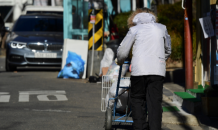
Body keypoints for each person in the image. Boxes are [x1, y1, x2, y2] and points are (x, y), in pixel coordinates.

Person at [117, 8, 171, 130]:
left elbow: (122, 51)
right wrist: (160, 60)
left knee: (137, 99)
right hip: (157, 71)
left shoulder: (134, 29)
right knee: (155, 102)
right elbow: (168, 49)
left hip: (139, 70)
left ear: (134, 19)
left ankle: (139, 127)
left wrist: (119, 61)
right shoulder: (162, 28)